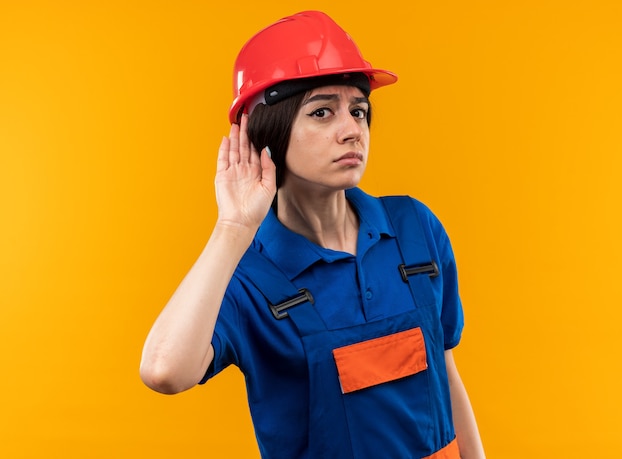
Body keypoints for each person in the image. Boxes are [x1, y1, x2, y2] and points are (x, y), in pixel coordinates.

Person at [140, 10, 485, 459]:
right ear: (266, 132)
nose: (351, 131)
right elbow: (165, 371)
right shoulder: (249, 276)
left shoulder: (414, 228)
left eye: (359, 111)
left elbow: (446, 373)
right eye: (322, 112)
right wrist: (232, 228)